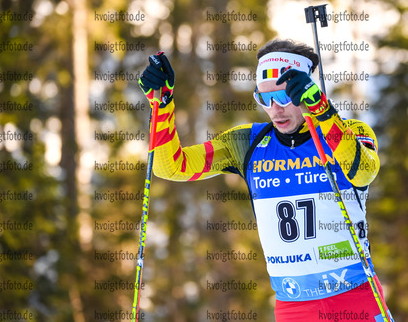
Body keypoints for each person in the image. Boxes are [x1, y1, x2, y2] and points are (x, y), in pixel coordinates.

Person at [138, 39, 394, 321]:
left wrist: (321, 109)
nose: (275, 109)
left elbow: (364, 171)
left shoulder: (346, 132)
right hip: (294, 306)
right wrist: (161, 104)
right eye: (264, 98)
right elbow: (171, 166)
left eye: (284, 97)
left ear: (305, 90)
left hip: (355, 298)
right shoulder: (247, 142)